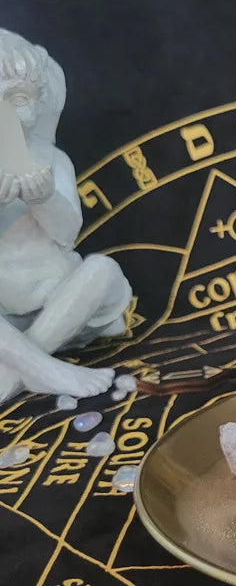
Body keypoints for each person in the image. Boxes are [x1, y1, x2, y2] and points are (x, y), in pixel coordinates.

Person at [0, 28, 131, 402]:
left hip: (61, 294)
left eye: (18, 98)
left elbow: (66, 234)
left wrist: (45, 199)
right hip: (5, 311)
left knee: (103, 270)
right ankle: (42, 368)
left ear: (40, 102)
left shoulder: (52, 160)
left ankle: (22, 365)